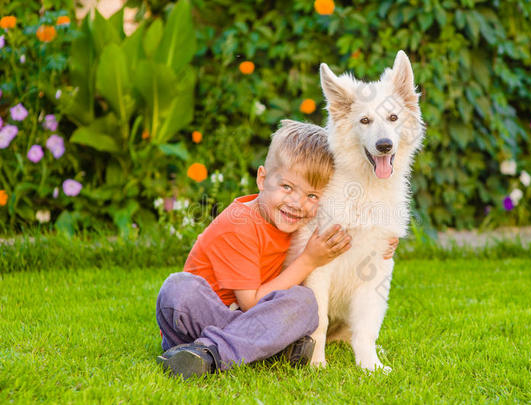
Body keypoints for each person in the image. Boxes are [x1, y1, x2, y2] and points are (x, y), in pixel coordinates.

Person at [155, 120, 398, 378]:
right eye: (287, 187)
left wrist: (380, 241)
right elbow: (250, 304)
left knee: (304, 303)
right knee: (178, 288)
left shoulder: (294, 224)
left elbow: (348, 238)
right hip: (201, 318)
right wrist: (308, 260)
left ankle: (210, 355)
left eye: (313, 196)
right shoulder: (240, 224)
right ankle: (218, 352)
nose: (297, 203)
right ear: (262, 178)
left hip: (251, 324)